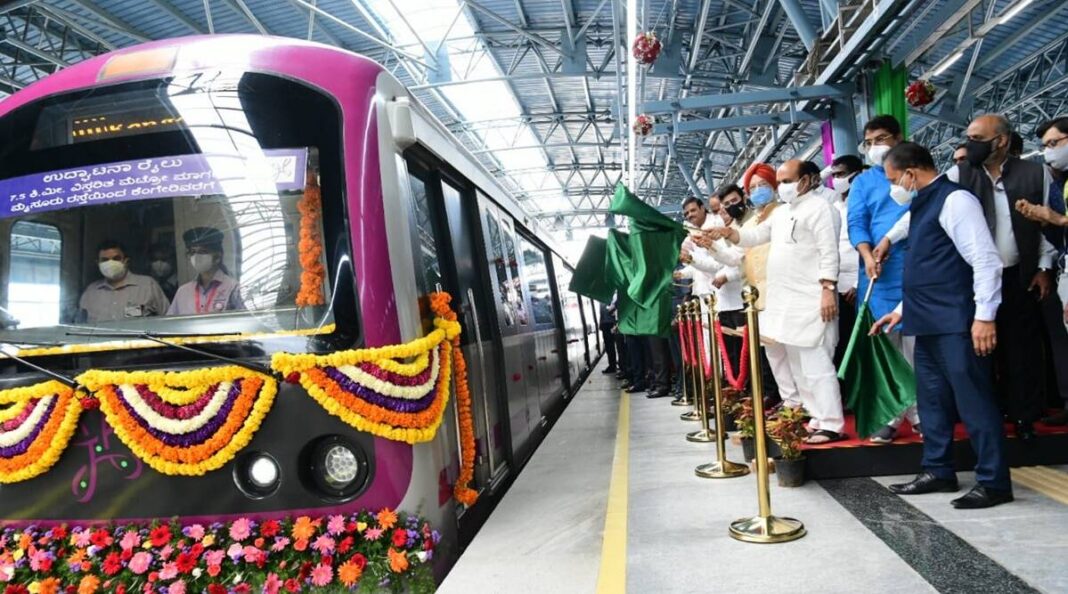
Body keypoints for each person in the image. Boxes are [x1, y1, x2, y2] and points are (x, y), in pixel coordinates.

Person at [884, 115, 1056, 441]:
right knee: (979, 357)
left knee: (1022, 351)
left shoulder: (1036, 173)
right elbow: (918, 216)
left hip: (1018, 274)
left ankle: (1024, 419)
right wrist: (888, 239)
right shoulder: (958, 175)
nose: (970, 143)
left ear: (1001, 140)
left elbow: (1045, 223)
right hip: (972, 280)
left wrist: (1045, 267)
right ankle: (989, 420)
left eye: (978, 137)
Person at [872, 142, 1011, 509]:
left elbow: (985, 261)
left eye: (893, 180)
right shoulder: (922, 202)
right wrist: (901, 310)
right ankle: (938, 470)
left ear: (911, 172)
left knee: (975, 402)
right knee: (932, 402)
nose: (893, 187)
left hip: (958, 322)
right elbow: (931, 266)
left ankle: (994, 481)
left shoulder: (955, 201)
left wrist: (985, 316)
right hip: (926, 321)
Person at [709, 160, 846, 443]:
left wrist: (828, 288)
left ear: (807, 180)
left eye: (786, 181)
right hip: (785, 302)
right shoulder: (782, 214)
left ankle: (832, 423)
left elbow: (829, 252)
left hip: (812, 299)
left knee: (817, 363)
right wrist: (729, 234)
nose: (781, 188)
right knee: (797, 364)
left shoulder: (821, 209)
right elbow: (756, 235)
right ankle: (814, 416)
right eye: (780, 182)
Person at [848, 115, 920, 442]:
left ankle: (921, 415)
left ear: (899, 137)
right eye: (870, 141)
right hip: (877, 274)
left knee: (918, 348)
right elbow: (857, 222)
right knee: (886, 348)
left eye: (882, 138)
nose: (876, 147)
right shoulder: (863, 182)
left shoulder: (915, 173)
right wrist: (866, 255)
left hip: (916, 265)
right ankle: (891, 416)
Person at [1015, 116, 1068, 425]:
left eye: (1054, 143)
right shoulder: (1056, 182)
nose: (1048, 152)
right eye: (1045, 146)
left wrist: (1056, 218)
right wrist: (1044, 219)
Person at [740, 162, 796, 410]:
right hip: (759, 298)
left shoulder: (784, 214)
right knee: (774, 353)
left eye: (763, 185)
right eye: (753, 187)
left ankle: (805, 403)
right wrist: (711, 245)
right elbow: (736, 257)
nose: (758, 191)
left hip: (784, 293)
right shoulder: (750, 224)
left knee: (793, 351)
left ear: (775, 187)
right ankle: (790, 400)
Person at [677, 195, 742, 400]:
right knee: (710, 343)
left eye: (693, 211)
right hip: (708, 295)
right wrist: (683, 271)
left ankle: (728, 387)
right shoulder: (693, 234)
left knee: (724, 345)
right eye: (686, 213)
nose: (690, 215)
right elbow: (699, 268)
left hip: (724, 294)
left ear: (703, 208)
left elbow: (716, 265)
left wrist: (691, 259)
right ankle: (719, 384)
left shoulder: (716, 228)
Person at [78, 240, 169, 323]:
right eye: (105, 260)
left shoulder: (147, 285)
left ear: (125, 261)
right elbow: (79, 327)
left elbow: (169, 318)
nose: (110, 263)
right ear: (98, 263)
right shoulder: (90, 293)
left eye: (116, 258)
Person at [827, 155, 863, 370]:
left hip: (857, 286)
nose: (836, 180)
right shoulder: (833, 207)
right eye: (834, 175)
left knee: (856, 343)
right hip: (836, 286)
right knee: (839, 343)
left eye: (840, 174)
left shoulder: (863, 204)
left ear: (856, 175)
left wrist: (860, 282)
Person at [167, 227, 244, 316]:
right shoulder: (183, 292)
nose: (196, 257)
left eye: (203, 251)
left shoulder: (233, 288)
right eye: (192, 252)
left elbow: (246, 322)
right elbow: (170, 324)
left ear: (217, 257)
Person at [599, 300, 618, 374]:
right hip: (605, 323)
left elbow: (613, 308)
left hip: (610, 323)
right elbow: (601, 312)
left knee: (610, 346)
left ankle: (613, 366)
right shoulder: (602, 298)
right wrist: (600, 323)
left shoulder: (610, 296)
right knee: (608, 346)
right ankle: (612, 364)